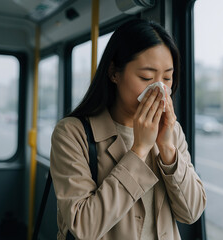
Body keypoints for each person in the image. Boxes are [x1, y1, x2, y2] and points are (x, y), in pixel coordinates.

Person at [50, 18, 206, 240]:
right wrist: (140, 149)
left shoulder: (172, 131)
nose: (159, 89)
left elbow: (191, 213)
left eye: (168, 78)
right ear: (114, 73)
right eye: (146, 77)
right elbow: (83, 228)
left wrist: (168, 149)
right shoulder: (72, 133)